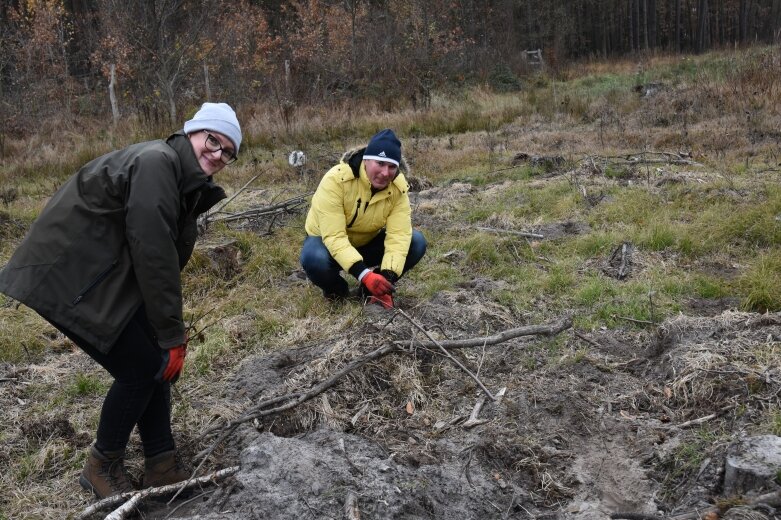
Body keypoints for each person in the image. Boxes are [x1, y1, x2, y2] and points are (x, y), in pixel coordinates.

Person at [0, 102, 242, 499]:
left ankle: (161, 464)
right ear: (192, 133)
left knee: (156, 364)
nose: (216, 154)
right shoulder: (157, 163)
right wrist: (171, 333)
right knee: (141, 368)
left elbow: (150, 249)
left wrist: (162, 337)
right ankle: (101, 464)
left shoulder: (179, 179)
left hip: (94, 275)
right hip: (64, 274)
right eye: (212, 140)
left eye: (227, 151)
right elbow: (153, 251)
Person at [300, 129, 426, 308]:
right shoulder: (336, 180)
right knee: (314, 258)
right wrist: (364, 274)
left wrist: (386, 279)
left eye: (391, 167)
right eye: (380, 163)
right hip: (326, 244)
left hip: (365, 243)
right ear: (366, 160)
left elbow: (399, 237)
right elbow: (334, 237)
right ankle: (337, 291)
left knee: (416, 241)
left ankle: (370, 291)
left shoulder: (398, 189)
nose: (385, 173)